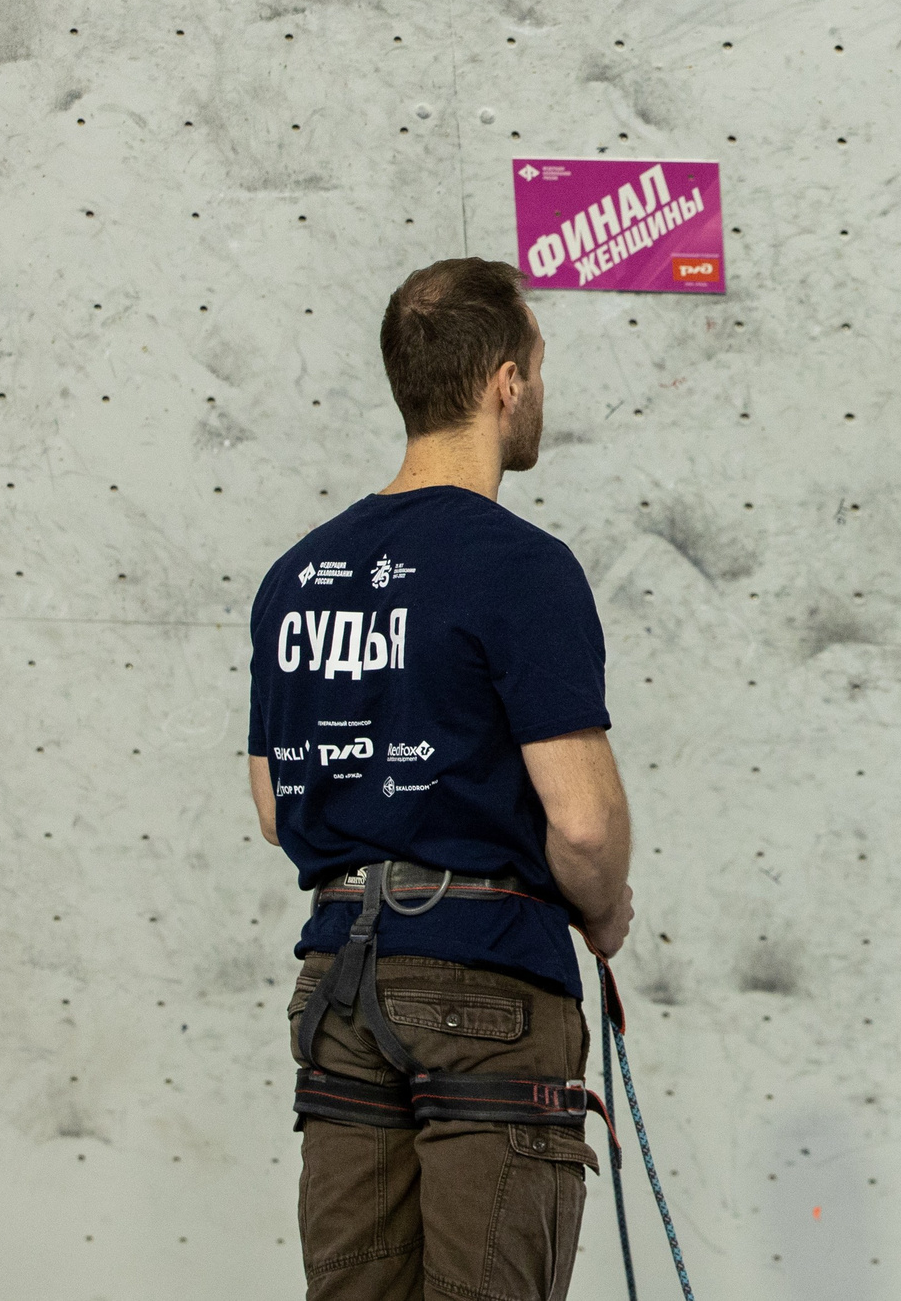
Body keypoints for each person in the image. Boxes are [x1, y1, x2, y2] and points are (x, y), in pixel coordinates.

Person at [246, 257, 635, 1301]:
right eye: (538, 369)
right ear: (506, 382)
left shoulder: (298, 577)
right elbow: (585, 825)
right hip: (487, 990)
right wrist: (604, 913)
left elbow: (279, 804)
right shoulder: (521, 566)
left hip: (336, 986)